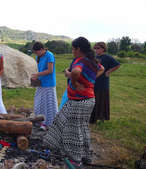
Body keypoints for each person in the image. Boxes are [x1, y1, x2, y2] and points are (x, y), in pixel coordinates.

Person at [43, 37, 104, 166]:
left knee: (71, 130)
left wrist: (73, 80)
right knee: (82, 128)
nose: (72, 51)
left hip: (78, 101)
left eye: (73, 49)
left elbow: (76, 71)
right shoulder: (92, 61)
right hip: (89, 100)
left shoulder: (80, 61)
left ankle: (74, 160)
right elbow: (102, 69)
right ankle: (85, 156)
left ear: (78, 49)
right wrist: (89, 82)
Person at [90, 42, 120, 124]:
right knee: (94, 100)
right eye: (95, 48)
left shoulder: (107, 57)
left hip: (103, 82)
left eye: (98, 48)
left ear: (103, 49)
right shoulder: (95, 57)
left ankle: (102, 118)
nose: (96, 50)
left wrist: (109, 71)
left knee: (102, 100)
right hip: (94, 81)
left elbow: (117, 65)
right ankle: (93, 117)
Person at [32, 42, 58, 130]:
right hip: (41, 83)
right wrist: (35, 77)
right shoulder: (38, 56)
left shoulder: (49, 55)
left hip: (49, 84)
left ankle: (49, 123)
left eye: (37, 52)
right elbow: (39, 68)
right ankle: (39, 121)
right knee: (39, 103)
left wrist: (37, 74)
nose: (36, 54)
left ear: (42, 49)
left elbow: (50, 70)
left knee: (49, 104)